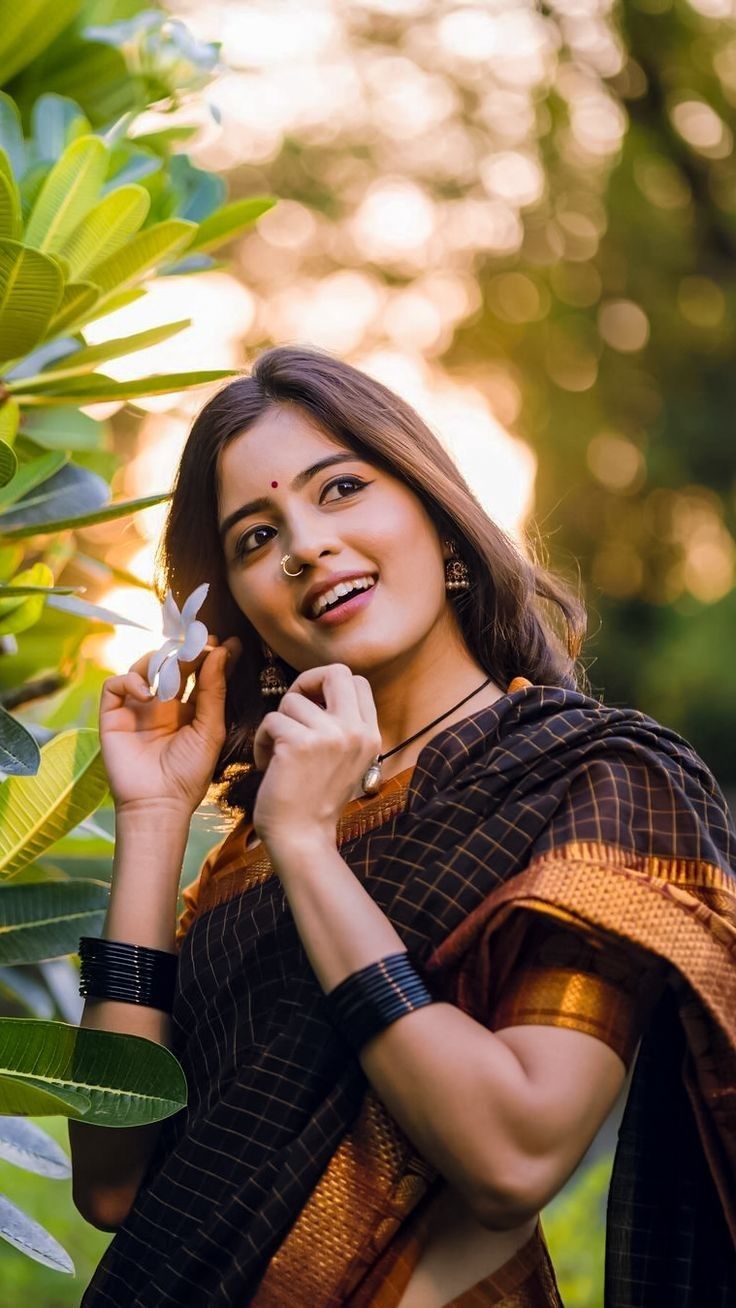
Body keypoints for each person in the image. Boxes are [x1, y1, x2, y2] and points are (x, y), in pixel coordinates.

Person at [71, 346, 736, 1308]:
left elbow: (513, 1155)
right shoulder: (241, 856)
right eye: (256, 538)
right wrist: (152, 816)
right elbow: (109, 1178)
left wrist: (309, 847)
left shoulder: (600, 780)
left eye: (340, 487)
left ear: (439, 516)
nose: (302, 544)